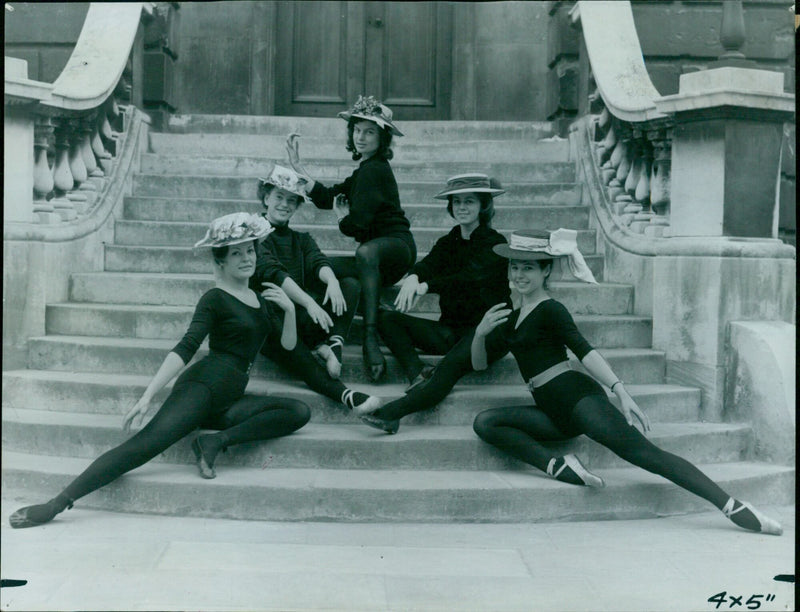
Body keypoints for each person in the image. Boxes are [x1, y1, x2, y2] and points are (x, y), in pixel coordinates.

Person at [469, 228, 782, 536]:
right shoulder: (511, 317)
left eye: (528, 267)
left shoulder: (552, 309)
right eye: (515, 266)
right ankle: (559, 466)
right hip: (551, 411)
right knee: (486, 423)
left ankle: (734, 507)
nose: (519, 274)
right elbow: (479, 364)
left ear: (545, 270)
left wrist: (620, 392)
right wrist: (480, 334)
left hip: (578, 400)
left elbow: (585, 351)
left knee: (644, 454)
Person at [9, 213, 311, 529]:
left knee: (297, 411)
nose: (247, 258)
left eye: (250, 250)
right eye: (236, 253)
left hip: (228, 399)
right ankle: (57, 503)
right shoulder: (215, 299)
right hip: (203, 388)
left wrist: (289, 309)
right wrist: (148, 396)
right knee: (146, 444)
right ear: (220, 261)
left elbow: (288, 347)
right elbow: (186, 347)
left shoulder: (259, 300)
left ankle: (215, 442)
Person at [286, 95, 417, 381]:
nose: (361, 137)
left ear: (382, 138)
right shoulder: (364, 170)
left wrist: (342, 218)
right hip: (373, 258)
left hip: (395, 249)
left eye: (369, 132)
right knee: (326, 273)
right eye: (357, 130)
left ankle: (370, 339)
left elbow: (356, 224)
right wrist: (298, 168)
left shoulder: (376, 170)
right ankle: (332, 341)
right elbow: (329, 196)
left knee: (365, 253)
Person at [251, 164, 381, 415]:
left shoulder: (301, 239)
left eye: (292, 200)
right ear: (266, 197)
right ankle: (346, 395)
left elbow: (316, 260)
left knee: (350, 285)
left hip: (303, 316)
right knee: (288, 327)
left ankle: (333, 344)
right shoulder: (254, 234)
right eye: (279, 197)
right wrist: (309, 304)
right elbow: (274, 272)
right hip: (271, 319)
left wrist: (332, 282)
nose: (285, 205)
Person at [377, 173, 510, 389]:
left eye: (469, 201)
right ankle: (417, 372)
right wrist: (413, 277)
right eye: (456, 201)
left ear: (483, 205)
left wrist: (427, 286)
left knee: (452, 365)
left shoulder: (495, 242)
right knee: (386, 319)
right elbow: (429, 264)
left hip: (485, 334)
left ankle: (433, 382)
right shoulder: (450, 240)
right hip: (450, 332)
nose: (461, 207)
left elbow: (469, 278)